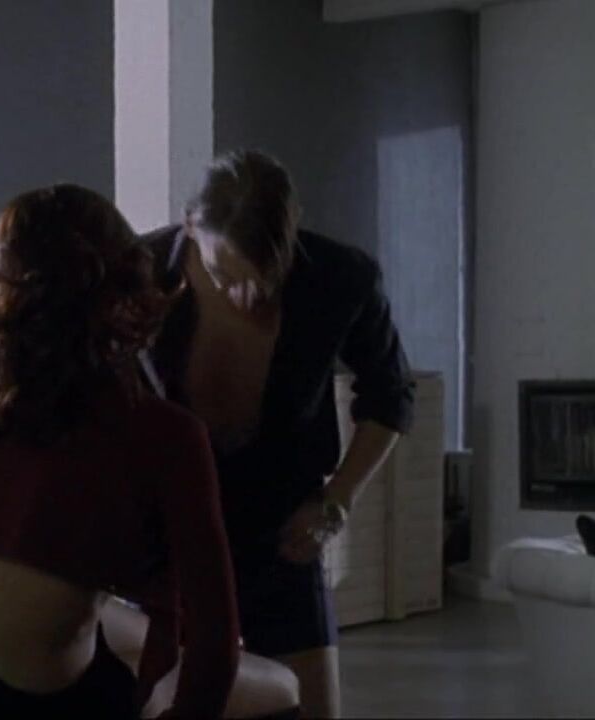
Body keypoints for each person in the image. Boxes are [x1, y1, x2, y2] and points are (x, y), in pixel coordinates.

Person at [0, 184, 300, 718]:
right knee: (282, 686)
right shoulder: (165, 433)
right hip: (55, 696)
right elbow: (217, 643)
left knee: (132, 629)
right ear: (121, 285)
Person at [137, 150, 415, 718]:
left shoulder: (341, 277)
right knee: (172, 703)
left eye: (266, 279)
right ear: (190, 225)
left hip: (280, 521)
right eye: (225, 274)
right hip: (167, 524)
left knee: (311, 709)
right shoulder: (138, 271)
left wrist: (338, 499)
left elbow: (391, 397)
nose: (246, 297)